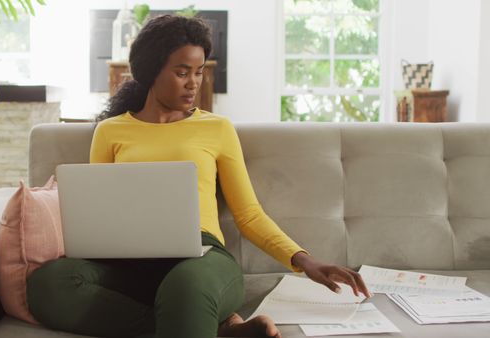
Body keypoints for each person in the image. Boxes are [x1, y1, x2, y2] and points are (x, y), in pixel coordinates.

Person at [27, 15, 371, 338]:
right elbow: (100, 211)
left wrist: (305, 261)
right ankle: (212, 329)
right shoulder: (110, 132)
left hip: (203, 258)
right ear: (151, 71)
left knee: (185, 288)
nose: (194, 83)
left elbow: (249, 214)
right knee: (48, 284)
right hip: (131, 264)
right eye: (181, 72)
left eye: (199, 71)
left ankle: (192, 316)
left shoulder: (216, 128)